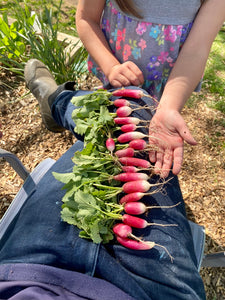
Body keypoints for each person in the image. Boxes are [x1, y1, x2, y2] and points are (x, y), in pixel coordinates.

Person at [0, 59, 206, 300]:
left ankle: (57, 102)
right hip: (153, 290)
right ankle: (59, 102)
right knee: (133, 104)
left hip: (25, 274)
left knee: (116, 121)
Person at [76, 0, 225, 178]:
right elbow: (86, 18)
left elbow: (196, 50)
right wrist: (111, 67)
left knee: (144, 143)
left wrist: (169, 107)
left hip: (169, 87)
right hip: (115, 69)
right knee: (105, 127)